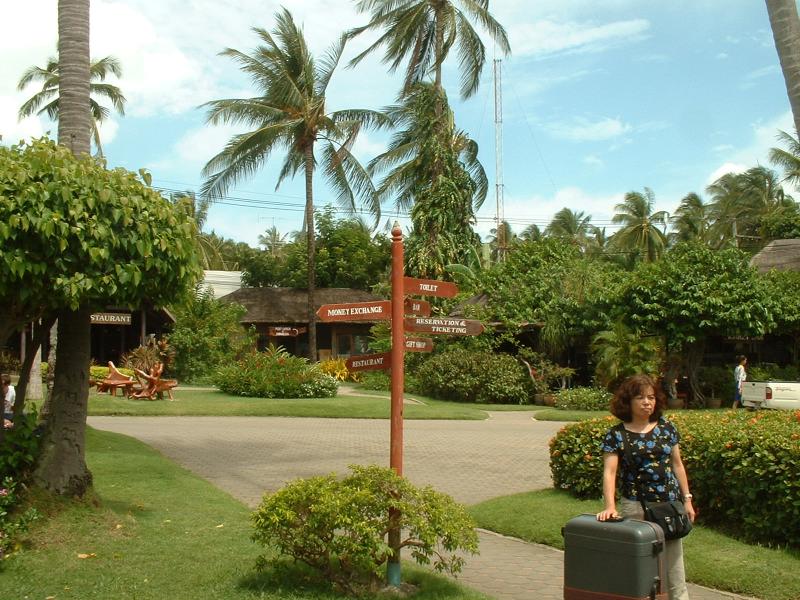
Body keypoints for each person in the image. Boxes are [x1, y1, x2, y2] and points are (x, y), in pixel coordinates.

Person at [596, 374, 696, 600]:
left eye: (651, 397)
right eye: (640, 397)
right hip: (636, 508)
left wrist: (687, 499)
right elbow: (610, 473)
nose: (647, 402)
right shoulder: (616, 435)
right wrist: (610, 506)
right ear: (628, 401)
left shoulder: (667, 428)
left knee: (674, 573)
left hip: (670, 508)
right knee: (640, 570)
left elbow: (677, 465)